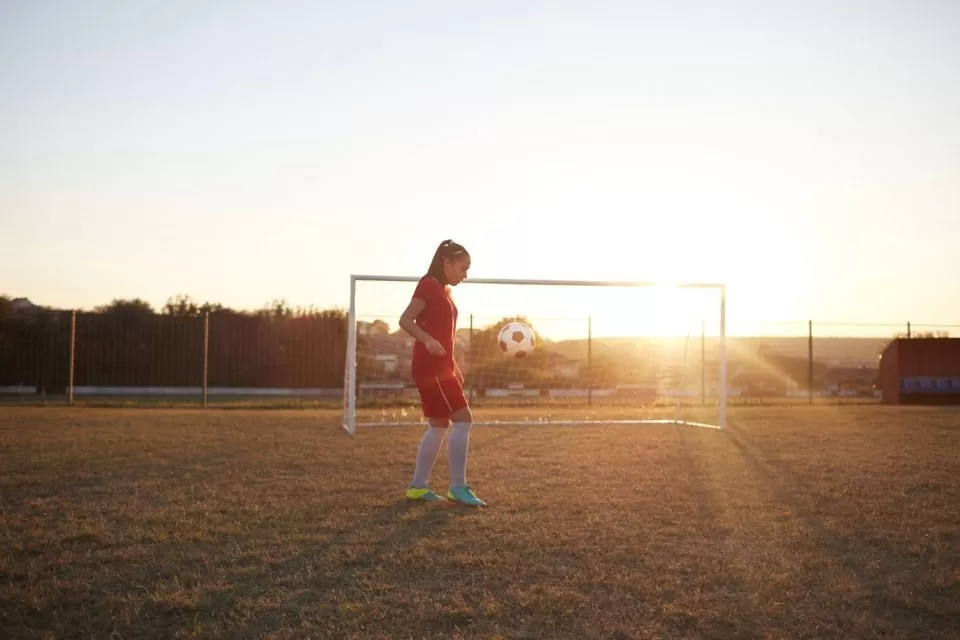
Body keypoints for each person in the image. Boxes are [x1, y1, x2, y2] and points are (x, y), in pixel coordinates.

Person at [397, 239, 486, 506]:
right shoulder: (428, 285)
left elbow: (444, 333)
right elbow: (405, 320)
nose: (465, 275)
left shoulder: (444, 289)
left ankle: (417, 487)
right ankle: (458, 487)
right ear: (446, 263)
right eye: (462, 268)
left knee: (439, 424)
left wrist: (454, 363)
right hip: (431, 367)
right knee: (463, 418)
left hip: (439, 365)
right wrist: (427, 340)